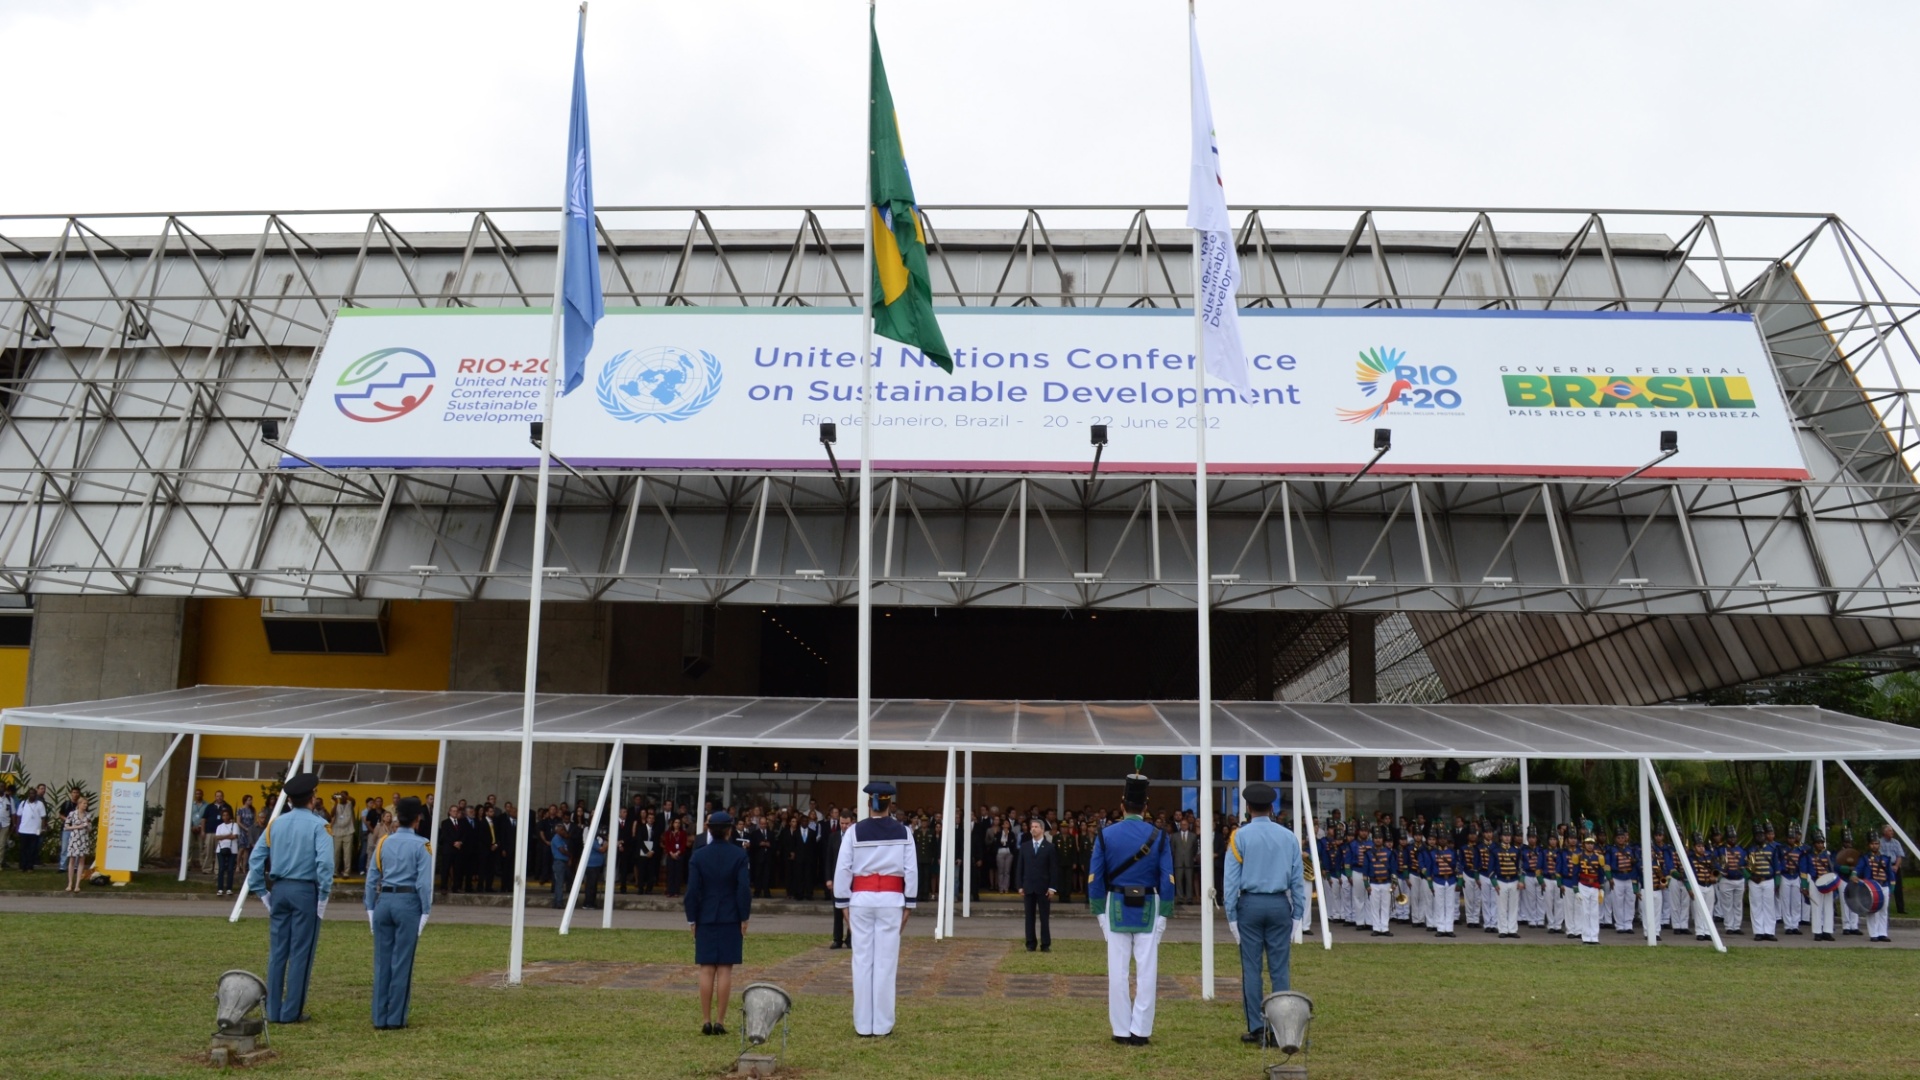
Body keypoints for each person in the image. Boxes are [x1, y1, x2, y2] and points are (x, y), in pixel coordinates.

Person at [1086, 760, 1174, 1047]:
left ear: (1122, 805)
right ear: (1145, 807)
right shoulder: (1159, 836)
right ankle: (1141, 1030)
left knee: (1118, 972)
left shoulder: (1105, 834)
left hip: (1115, 904)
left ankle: (1121, 1029)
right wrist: (1165, 913)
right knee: (1147, 972)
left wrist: (1099, 912)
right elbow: (1167, 878)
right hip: (1150, 903)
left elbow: (1095, 876)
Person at [245, 773, 334, 1024]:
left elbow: (255, 858)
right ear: (312, 798)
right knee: (301, 952)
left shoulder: (276, 823)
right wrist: (324, 895)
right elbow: (325, 864)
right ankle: (291, 1011)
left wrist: (262, 891)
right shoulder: (319, 825)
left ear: (290, 800)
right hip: (304, 890)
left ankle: (273, 1010)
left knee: (278, 952)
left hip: (280, 889)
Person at [1222, 783, 1306, 1048]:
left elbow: (1230, 882)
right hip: (1279, 904)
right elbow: (1298, 880)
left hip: (1250, 905)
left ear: (1248, 808)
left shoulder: (1239, 837)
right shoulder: (1288, 837)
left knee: (1251, 968)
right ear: (1272, 808)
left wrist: (1231, 915)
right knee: (1280, 969)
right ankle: (1281, 1030)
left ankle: (1257, 1028)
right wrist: (1298, 913)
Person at [832, 781, 917, 1038]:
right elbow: (911, 870)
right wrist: (909, 903)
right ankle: (882, 1024)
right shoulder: (904, 832)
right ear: (890, 804)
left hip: (861, 900)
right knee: (885, 963)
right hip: (891, 900)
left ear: (869, 803)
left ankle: (863, 1024)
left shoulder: (853, 832)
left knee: (861, 961)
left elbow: (843, 869)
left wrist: (842, 903)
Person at [365, 796, 432, 1030]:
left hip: (384, 900)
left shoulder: (384, 842)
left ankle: (379, 1016)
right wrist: (426, 910)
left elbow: (371, 877)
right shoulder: (422, 844)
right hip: (408, 901)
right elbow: (424, 883)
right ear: (417, 819)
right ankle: (395, 1018)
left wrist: (370, 907)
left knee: (382, 962)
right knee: (402, 961)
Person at [685, 809, 752, 1036]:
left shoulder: (699, 855)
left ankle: (706, 1020)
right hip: (730, 916)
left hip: (705, 916)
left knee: (706, 969)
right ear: (729, 830)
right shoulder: (739, 855)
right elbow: (743, 889)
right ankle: (720, 1021)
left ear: (709, 830)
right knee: (724, 969)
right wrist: (744, 917)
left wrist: (692, 918)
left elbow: (692, 891)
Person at [1013, 816, 1061, 953]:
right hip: (1028, 886)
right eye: (1032, 827)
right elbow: (1020, 867)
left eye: (1036, 827)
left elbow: (1053, 869)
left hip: (1043, 887)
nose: (1033, 829)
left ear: (1042, 829)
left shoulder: (1050, 847)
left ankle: (1045, 944)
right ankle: (1030, 943)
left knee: (1044, 918)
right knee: (1029, 917)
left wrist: (1052, 888)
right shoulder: (1025, 846)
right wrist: (1020, 886)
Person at [1854, 832, 1896, 942]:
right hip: (1871, 887)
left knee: (1884, 910)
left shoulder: (1885, 858)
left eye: (1876, 843)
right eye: (1872, 844)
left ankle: (1883, 933)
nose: (1874, 846)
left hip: (1884, 886)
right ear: (1869, 845)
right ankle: (1873, 934)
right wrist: (1854, 875)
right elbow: (1858, 869)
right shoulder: (1865, 858)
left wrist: (1892, 887)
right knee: (1872, 910)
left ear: (1879, 845)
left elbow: (1890, 874)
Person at [823, 810, 850, 949]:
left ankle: (850, 938)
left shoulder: (855, 837)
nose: (844, 826)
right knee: (837, 910)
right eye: (842, 823)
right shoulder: (833, 837)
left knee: (851, 910)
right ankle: (837, 939)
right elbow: (828, 859)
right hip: (836, 879)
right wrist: (829, 879)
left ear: (851, 823)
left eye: (846, 823)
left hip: (851, 880)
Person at [61, 794, 93, 893]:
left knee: (81, 861)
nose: (85, 805)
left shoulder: (88, 815)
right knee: (72, 860)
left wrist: (87, 825)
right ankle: (70, 883)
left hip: (83, 839)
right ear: (79, 804)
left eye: (86, 804)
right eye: (84, 803)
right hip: (74, 838)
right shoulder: (72, 814)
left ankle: (77, 884)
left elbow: (90, 829)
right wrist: (77, 827)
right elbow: (66, 826)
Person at [213, 807, 242, 896]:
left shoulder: (234, 825)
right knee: (221, 868)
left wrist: (223, 837)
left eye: (227, 815)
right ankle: (220, 889)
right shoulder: (219, 826)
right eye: (223, 815)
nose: (225, 817)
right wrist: (228, 836)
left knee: (230, 869)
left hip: (232, 850)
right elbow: (217, 837)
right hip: (221, 849)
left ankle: (229, 888)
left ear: (230, 816)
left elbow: (234, 836)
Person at [15, 787, 44, 872]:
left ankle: (29, 866)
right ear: (28, 794)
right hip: (23, 830)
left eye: (34, 793)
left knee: (32, 849)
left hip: (35, 831)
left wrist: (42, 828)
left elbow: (43, 817)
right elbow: (19, 816)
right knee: (23, 849)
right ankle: (22, 866)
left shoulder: (40, 804)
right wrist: (17, 827)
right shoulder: (23, 803)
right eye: (31, 793)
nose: (32, 795)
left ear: (36, 794)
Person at [549, 822, 572, 908]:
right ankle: (558, 902)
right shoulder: (556, 839)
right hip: (559, 862)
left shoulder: (562, 839)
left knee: (562, 881)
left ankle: (557, 901)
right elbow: (562, 850)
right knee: (559, 883)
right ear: (557, 831)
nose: (564, 831)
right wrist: (570, 855)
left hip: (564, 862)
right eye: (562, 830)